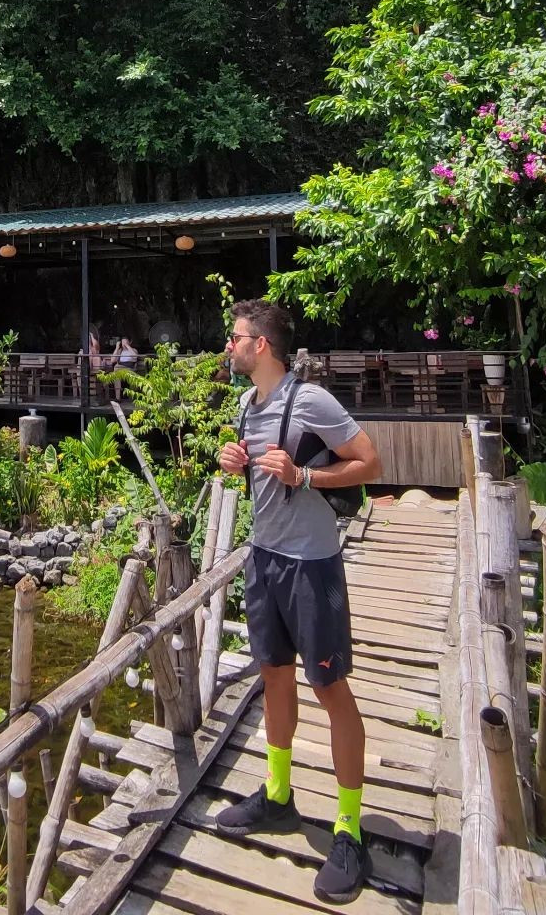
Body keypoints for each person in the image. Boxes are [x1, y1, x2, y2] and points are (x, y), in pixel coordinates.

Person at [215, 298, 382, 904]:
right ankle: (279, 795)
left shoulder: (310, 401)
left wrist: (305, 478)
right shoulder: (246, 406)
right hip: (263, 561)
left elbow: (369, 462)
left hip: (312, 569)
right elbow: (259, 474)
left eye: (235, 338)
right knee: (275, 679)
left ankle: (348, 828)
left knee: (331, 690)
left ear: (262, 346)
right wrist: (236, 463)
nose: (228, 347)